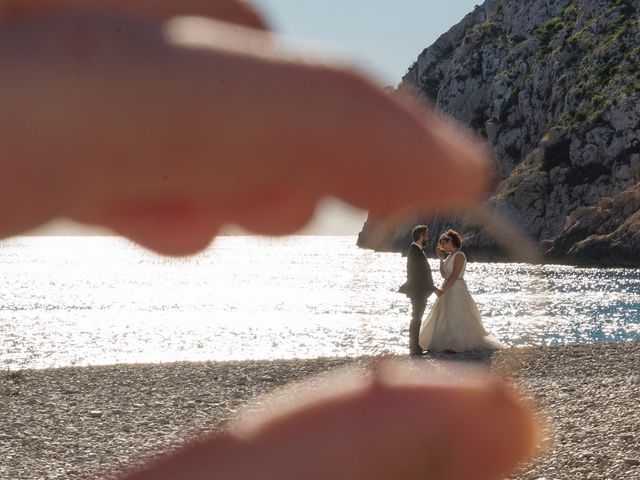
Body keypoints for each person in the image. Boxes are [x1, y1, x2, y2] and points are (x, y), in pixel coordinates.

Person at [0, 2, 538, 479]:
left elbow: (449, 276)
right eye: (438, 242)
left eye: (439, 242)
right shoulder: (434, 254)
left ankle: (432, 356)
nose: (440, 246)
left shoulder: (450, 259)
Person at [419, 229, 506, 353]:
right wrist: (440, 259)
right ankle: (447, 343)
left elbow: (455, 275)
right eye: (441, 243)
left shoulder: (459, 255)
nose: (442, 245)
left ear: (451, 241)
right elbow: (444, 274)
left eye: (444, 242)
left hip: (456, 288)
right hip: (448, 286)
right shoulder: (449, 256)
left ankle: (457, 345)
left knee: (457, 314)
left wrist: (442, 290)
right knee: (446, 315)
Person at [398, 225, 438, 355]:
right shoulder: (415, 251)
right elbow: (420, 274)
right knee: (416, 318)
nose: (428, 237)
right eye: (426, 235)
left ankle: (415, 347)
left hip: (418, 290)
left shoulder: (415, 250)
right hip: (418, 291)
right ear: (421, 235)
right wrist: (433, 288)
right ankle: (414, 348)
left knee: (416, 317)